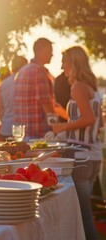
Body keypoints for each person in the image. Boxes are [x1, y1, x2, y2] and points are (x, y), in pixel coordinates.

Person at [51, 46, 103, 240]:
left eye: (64, 61)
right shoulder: (91, 87)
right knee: (85, 209)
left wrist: (62, 128)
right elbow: (98, 122)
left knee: (82, 215)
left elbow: (88, 119)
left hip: (81, 158)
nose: (62, 65)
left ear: (73, 63)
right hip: (94, 156)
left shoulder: (78, 86)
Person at [13, 38, 58, 139]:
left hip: (23, 133)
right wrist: (55, 127)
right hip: (38, 134)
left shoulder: (22, 71)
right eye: (50, 51)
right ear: (42, 50)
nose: (52, 55)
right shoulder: (39, 71)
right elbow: (46, 102)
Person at [0, 55, 28, 140]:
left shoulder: (3, 84)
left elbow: (0, 108)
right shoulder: (26, 81)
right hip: (22, 129)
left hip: (6, 127)